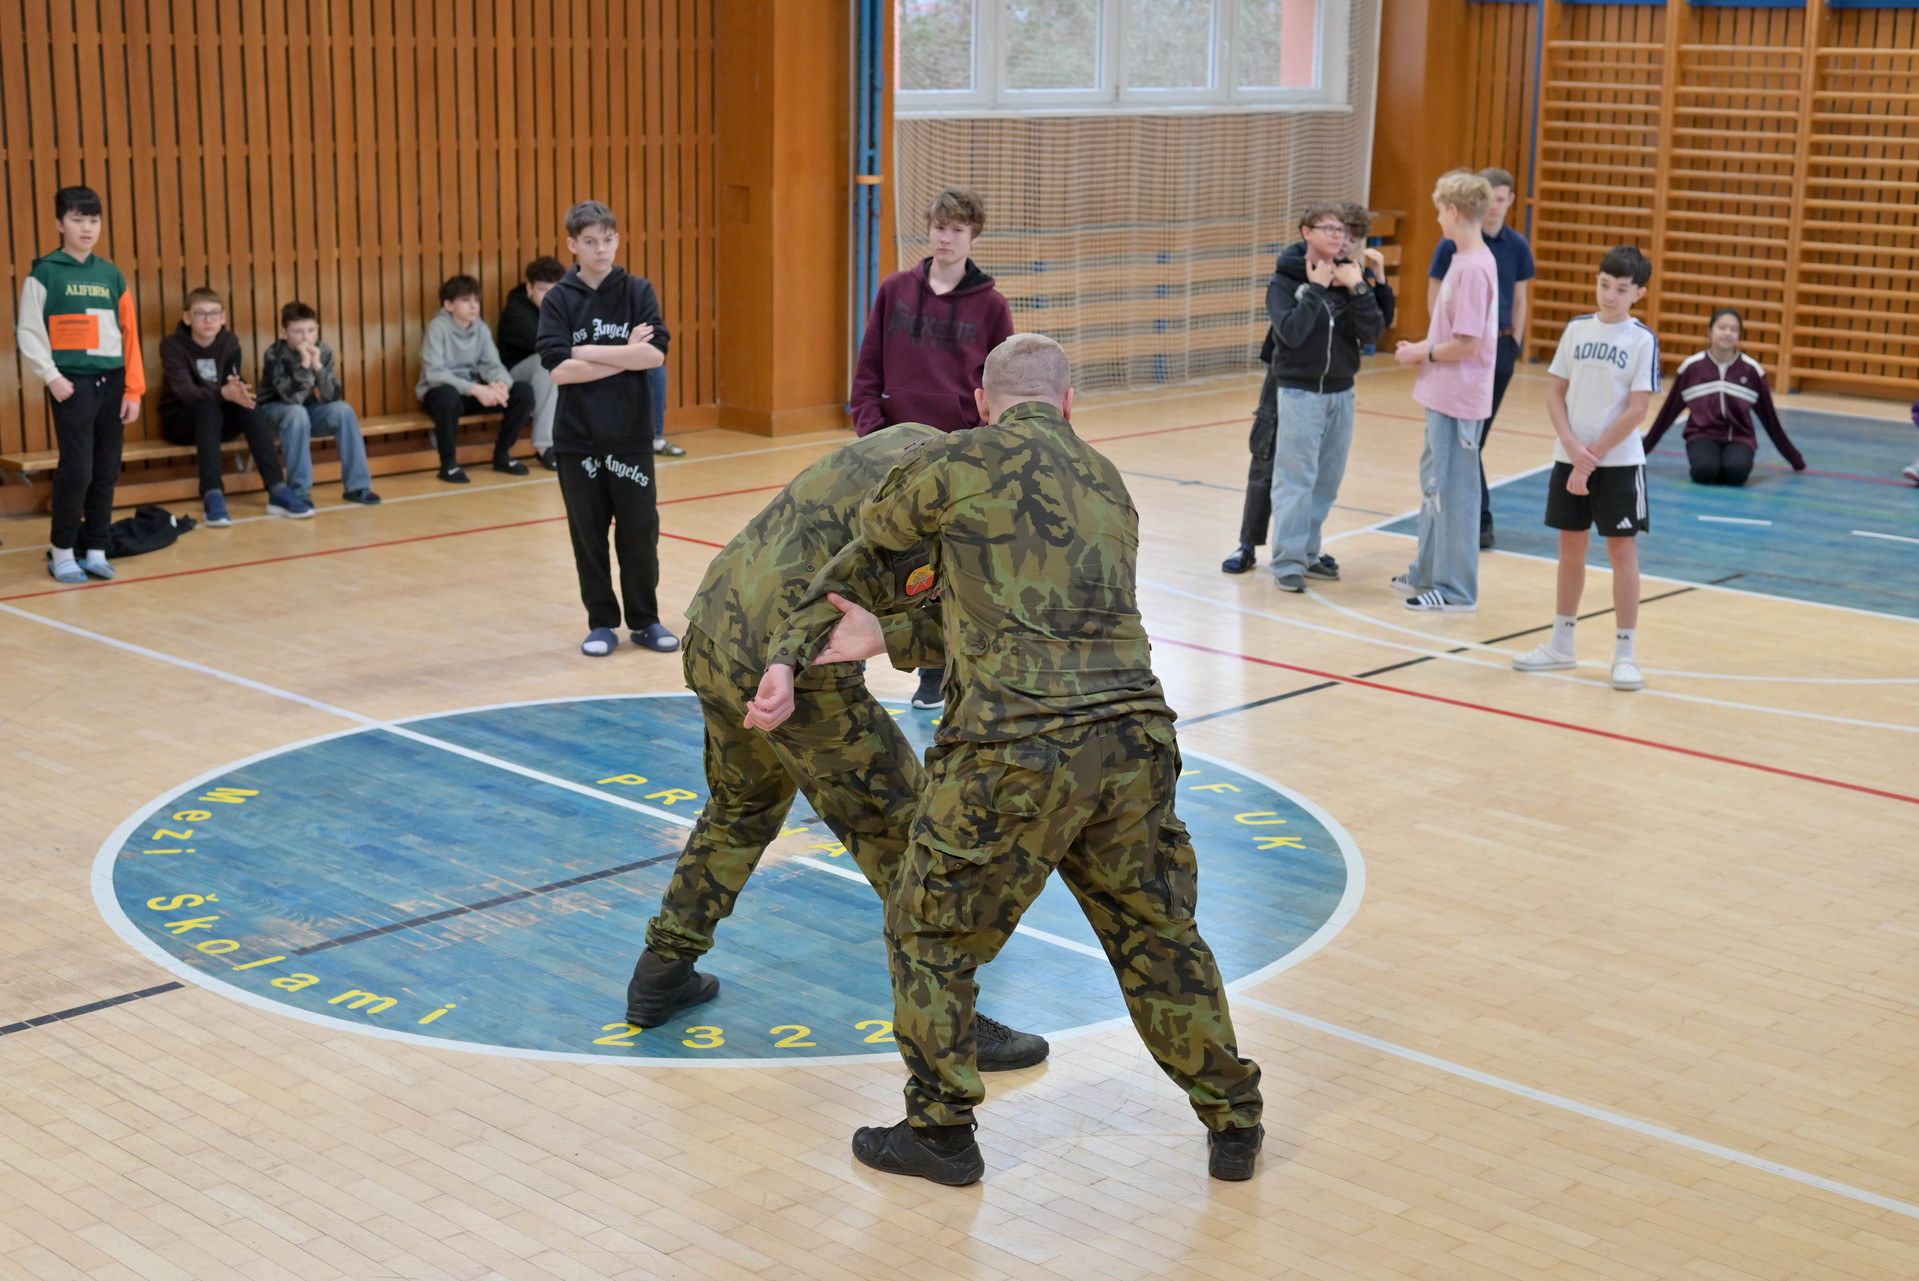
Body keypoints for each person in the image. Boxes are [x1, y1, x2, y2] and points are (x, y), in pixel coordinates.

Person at [763, 334, 1265, 1187]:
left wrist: (807, 642)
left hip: (1012, 750)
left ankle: (939, 1133)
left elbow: (875, 539)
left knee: (927, 932)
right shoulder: (1106, 479)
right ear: (1067, 403)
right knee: (1156, 934)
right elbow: (1024, 616)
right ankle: (1234, 1117)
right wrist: (896, 635)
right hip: (1133, 741)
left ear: (980, 401)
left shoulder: (957, 460)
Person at [621, 423, 1048, 1076]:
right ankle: (951, 1027)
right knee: (910, 835)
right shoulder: (961, 505)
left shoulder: (910, 439)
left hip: (714, 627)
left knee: (740, 808)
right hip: (796, 662)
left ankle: (661, 972)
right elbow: (955, 623)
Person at [849, 188, 1016, 711]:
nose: (946, 237)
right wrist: (875, 436)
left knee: (950, 569)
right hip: (892, 453)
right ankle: (858, 662)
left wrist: (977, 445)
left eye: (957, 229)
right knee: (885, 561)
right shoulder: (894, 290)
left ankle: (941, 671)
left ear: (973, 237)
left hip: (957, 458)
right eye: (940, 226)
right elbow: (868, 372)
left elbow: (1002, 387)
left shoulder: (992, 306)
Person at [1511, 246, 1660, 692]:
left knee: (1621, 552)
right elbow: (1555, 392)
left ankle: (1625, 654)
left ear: (1638, 294)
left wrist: (1590, 457)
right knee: (1570, 549)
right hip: (1569, 457)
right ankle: (1561, 645)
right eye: (1604, 284)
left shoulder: (1642, 339)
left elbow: (1638, 410)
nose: (1609, 296)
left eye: (1621, 289)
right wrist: (1572, 447)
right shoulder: (1576, 329)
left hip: (1618, 464)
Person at [536, 200, 679, 657]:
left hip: (630, 437)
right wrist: (624, 355)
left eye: (609, 239)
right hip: (578, 441)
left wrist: (587, 351)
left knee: (639, 531)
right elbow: (559, 371)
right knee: (589, 536)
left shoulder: (637, 291)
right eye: (591, 241)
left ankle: (645, 620)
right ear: (573, 245)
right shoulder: (559, 299)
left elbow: (654, 355)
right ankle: (601, 623)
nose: (602, 249)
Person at [1225, 203, 1396, 580]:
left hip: (1341, 391)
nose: (1340, 238)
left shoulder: (1350, 276)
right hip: (1295, 389)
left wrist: (1361, 288)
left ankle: (1308, 549)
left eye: (1344, 233)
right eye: (1330, 230)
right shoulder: (1286, 279)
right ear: (1307, 233)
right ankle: (1279, 557)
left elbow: (1373, 331)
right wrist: (1316, 288)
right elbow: (1291, 332)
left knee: (1326, 480)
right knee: (1284, 473)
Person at [15, 185, 146, 583]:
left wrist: (133, 390)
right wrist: (52, 376)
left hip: (114, 383)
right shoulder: (45, 272)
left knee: (106, 470)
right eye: (77, 220)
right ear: (60, 224)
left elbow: (129, 335)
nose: (86, 228)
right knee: (78, 471)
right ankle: (62, 551)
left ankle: (96, 549)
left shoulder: (111, 274)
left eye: (93, 220)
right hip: (72, 384)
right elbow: (29, 331)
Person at [1392, 171, 1498, 613]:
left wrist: (1423, 351)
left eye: (1439, 211)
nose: (1437, 219)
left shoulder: (1473, 268)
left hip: (1459, 397)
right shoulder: (1461, 259)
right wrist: (1425, 351)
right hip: (1442, 393)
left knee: (1455, 493)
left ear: (1453, 211)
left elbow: (1468, 344)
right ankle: (1428, 571)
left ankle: (1456, 590)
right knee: (1435, 485)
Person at [1427, 166, 1536, 549]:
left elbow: (1520, 298)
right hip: (1460, 349)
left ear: (1509, 201)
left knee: (1472, 440)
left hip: (1497, 347)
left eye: (1501, 199)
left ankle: (1469, 524)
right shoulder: (1453, 246)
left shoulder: (1515, 246)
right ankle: (1476, 522)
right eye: (1489, 198)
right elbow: (1436, 291)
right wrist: (1438, 341)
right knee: (1466, 442)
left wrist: (1515, 343)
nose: (1494, 206)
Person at [159, 288, 312, 528]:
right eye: (200, 313)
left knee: (249, 404)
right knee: (206, 407)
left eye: (214, 313)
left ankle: (277, 489)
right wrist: (223, 393)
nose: (208, 320)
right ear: (187, 317)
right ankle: (212, 494)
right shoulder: (172, 346)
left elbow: (232, 383)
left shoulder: (229, 342)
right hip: (182, 423)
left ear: (223, 317)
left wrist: (239, 392)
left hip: (218, 421)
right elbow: (186, 393)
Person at [1643, 308, 1805, 485]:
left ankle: (1725, 465)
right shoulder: (1691, 368)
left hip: (1740, 437)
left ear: (1739, 335)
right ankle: (1712, 465)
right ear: (1710, 331)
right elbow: (1667, 414)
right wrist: (1641, 451)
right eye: (1722, 327)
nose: (1727, 333)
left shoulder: (1752, 371)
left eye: (1734, 329)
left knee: (1736, 474)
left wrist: (1795, 460)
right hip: (1701, 435)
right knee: (1704, 472)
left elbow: (1771, 421)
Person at [257, 301, 380, 505]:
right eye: (298, 331)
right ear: (283, 333)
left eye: (311, 330)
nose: (306, 337)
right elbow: (291, 399)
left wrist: (318, 367)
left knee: (343, 410)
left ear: (317, 329)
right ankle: (299, 491)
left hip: (306, 411)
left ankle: (358, 486)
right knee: (296, 413)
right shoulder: (274, 354)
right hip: (272, 412)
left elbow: (331, 397)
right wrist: (305, 365)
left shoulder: (322, 350)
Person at [416, 274, 535, 484]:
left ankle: (502, 455)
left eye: (476, 300)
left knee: (522, 392)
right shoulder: (438, 327)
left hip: (472, 393)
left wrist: (501, 385)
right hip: (441, 393)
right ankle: (449, 465)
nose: (473, 306)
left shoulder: (480, 328)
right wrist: (475, 389)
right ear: (449, 305)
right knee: (447, 397)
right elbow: (435, 373)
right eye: (465, 300)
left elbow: (493, 365)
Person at [498, 256, 566, 471]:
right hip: (513, 374)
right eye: (543, 290)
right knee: (548, 363)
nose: (549, 297)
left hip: (548, 369)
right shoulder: (516, 309)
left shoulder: (563, 305)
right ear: (529, 287)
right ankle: (545, 445)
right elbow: (543, 344)